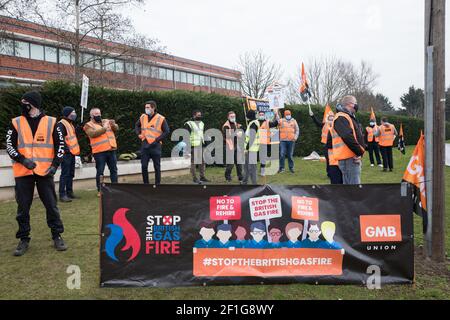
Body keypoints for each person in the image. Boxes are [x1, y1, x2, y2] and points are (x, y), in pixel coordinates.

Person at [6, 91, 66, 256]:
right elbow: (9, 146)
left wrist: (55, 166)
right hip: (23, 171)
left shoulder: (52, 122)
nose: (22, 104)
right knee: (23, 208)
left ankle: (57, 235)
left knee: (51, 206)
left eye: (24, 101)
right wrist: (22, 159)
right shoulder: (16, 122)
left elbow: (61, 146)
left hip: (45, 172)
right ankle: (23, 239)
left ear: (32, 103)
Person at [330, 95, 366, 184]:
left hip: (350, 157)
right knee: (354, 189)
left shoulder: (347, 117)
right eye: (355, 103)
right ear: (350, 104)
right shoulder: (341, 117)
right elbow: (347, 136)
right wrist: (359, 151)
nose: (357, 105)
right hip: (349, 158)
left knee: (350, 189)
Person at [83, 107, 119, 196]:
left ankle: (115, 188)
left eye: (99, 113)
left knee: (114, 170)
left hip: (111, 150)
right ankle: (100, 190)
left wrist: (114, 125)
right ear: (91, 116)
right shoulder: (88, 125)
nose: (98, 115)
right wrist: (104, 128)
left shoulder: (105, 121)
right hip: (99, 152)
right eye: (96, 114)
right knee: (100, 172)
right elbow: (93, 134)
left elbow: (116, 129)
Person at [135, 101, 170, 185]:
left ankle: (157, 184)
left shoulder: (161, 118)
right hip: (145, 145)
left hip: (155, 145)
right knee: (144, 166)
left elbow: (166, 131)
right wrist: (138, 133)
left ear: (153, 108)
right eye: (145, 107)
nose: (146, 109)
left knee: (157, 166)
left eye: (148, 107)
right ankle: (146, 184)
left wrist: (157, 140)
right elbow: (137, 125)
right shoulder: (143, 117)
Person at [310, 107, 343, 184]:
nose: (331, 118)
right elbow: (317, 123)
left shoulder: (337, 125)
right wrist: (312, 116)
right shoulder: (325, 124)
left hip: (336, 146)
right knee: (328, 160)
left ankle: (337, 173)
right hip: (326, 145)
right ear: (328, 118)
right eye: (330, 117)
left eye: (332, 117)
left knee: (335, 161)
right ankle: (329, 173)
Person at [57, 106, 80, 202]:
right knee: (65, 174)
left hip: (72, 153)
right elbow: (60, 139)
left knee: (70, 174)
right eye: (73, 112)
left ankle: (69, 192)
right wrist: (67, 150)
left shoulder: (70, 124)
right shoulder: (61, 124)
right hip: (67, 153)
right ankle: (62, 194)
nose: (74, 114)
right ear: (67, 114)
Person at [185, 110, 209, 184]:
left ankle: (202, 177)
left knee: (202, 162)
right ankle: (195, 178)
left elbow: (202, 133)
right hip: (193, 145)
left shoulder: (202, 123)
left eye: (200, 115)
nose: (199, 116)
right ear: (194, 115)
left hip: (201, 144)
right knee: (194, 163)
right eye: (198, 115)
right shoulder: (189, 124)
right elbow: (186, 136)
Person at [222, 111, 243, 182]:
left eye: (234, 116)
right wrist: (236, 134)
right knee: (230, 164)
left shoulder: (235, 123)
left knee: (239, 162)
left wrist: (240, 127)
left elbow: (237, 128)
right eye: (231, 116)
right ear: (228, 117)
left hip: (236, 145)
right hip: (229, 146)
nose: (233, 118)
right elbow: (227, 135)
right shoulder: (226, 125)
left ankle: (240, 177)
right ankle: (227, 177)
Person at [258, 110, 280, 177]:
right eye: (260, 114)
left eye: (262, 114)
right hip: (258, 142)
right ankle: (261, 171)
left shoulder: (267, 122)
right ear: (258, 115)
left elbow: (276, 123)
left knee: (265, 157)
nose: (261, 115)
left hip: (266, 142)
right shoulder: (256, 122)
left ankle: (263, 170)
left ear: (264, 115)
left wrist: (276, 115)